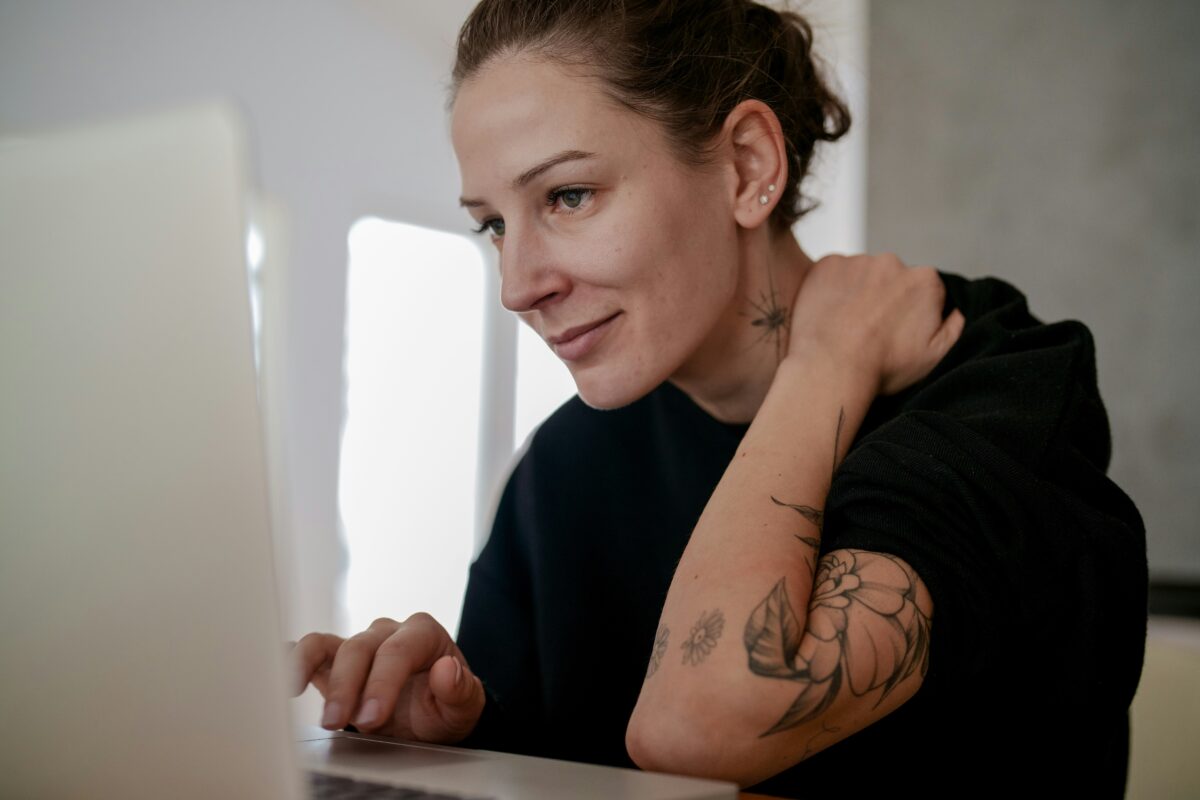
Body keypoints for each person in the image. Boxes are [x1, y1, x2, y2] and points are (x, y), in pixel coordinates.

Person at [291, 1, 1148, 795]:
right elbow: (577, 761)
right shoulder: (565, 469)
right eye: (494, 224)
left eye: (569, 195)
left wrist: (825, 364)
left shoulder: (997, 383)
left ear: (746, 167)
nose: (516, 285)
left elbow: (703, 725)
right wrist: (463, 739)